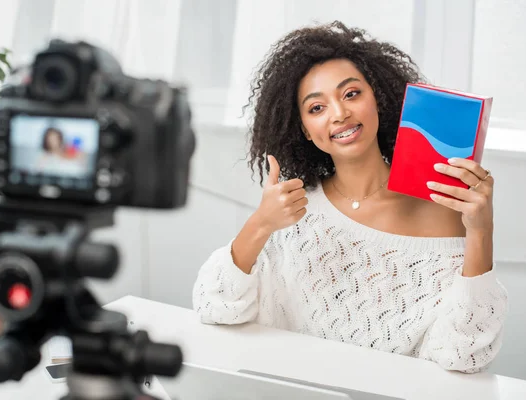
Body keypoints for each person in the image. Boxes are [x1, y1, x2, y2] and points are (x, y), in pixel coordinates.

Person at [192, 21, 508, 373]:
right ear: (306, 132)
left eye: (351, 94)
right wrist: (260, 224)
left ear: (379, 100)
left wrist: (482, 231)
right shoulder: (292, 212)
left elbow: (462, 355)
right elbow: (214, 306)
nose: (339, 113)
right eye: (316, 108)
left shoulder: (444, 212)